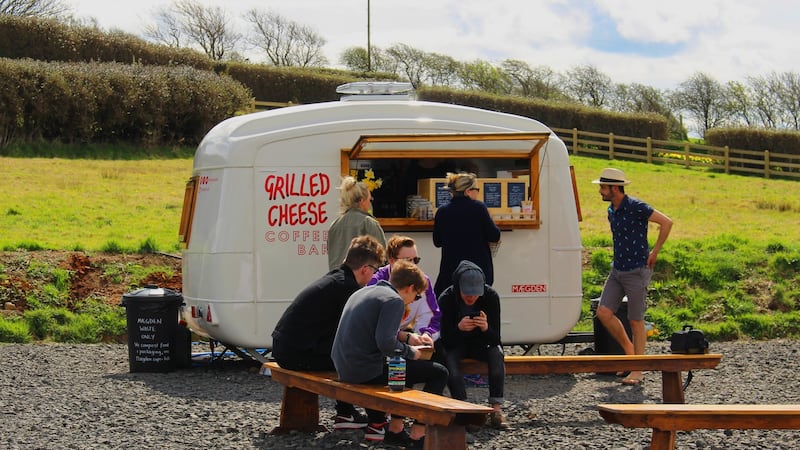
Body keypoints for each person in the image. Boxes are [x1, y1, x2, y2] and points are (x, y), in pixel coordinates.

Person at [271, 235, 386, 429]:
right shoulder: (347, 288)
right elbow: (360, 333)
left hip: (286, 348)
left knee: (348, 354)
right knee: (368, 361)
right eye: (376, 270)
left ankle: (346, 413)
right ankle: (377, 420)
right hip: (296, 354)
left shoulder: (337, 278)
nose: (375, 275)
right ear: (365, 269)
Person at [332, 259, 449, 449]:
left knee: (403, 366)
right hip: (365, 372)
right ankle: (419, 433)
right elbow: (386, 343)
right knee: (439, 372)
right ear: (410, 288)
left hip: (343, 367)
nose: (413, 300)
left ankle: (394, 428)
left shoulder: (365, 292)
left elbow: (376, 333)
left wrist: (407, 339)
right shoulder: (394, 300)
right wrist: (412, 352)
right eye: (417, 296)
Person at [592, 168, 673, 386]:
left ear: (614, 188)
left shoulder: (637, 207)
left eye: (603, 187)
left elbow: (667, 222)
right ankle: (630, 353)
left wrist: (655, 252)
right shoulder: (611, 210)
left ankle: (637, 369)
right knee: (603, 312)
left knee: (636, 320)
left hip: (637, 270)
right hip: (617, 269)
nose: (600, 190)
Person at [438, 260, 510, 430]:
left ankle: (496, 409)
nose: (471, 297)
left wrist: (485, 328)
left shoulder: (491, 297)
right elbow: (444, 339)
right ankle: (463, 409)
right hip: (456, 344)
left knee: (497, 353)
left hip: (481, 343)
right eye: (466, 293)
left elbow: (495, 339)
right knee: (448, 359)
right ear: (458, 288)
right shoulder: (447, 299)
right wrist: (458, 328)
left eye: (475, 293)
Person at [368, 235, 441, 352]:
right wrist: (404, 337)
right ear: (391, 260)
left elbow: (432, 316)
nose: (413, 265)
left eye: (415, 260)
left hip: (407, 338)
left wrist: (426, 334)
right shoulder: (375, 282)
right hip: (378, 343)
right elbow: (372, 323)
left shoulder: (422, 281)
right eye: (408, 260)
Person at [432, 172, 501, 296]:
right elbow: (494, 235)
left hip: (450, 273)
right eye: (477, 189)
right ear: (468, 191)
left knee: (450, 310)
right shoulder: (478, 208)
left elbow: (437, 242)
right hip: (478, 273)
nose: (478, 193)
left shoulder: (442, 211)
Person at [327, 176, 387, 271]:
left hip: (337, 281)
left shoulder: (335, 225)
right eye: (370, 200)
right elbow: (383, 258)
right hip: (364, 282)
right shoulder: (368, 222)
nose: (370, 204)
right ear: (362, 200)